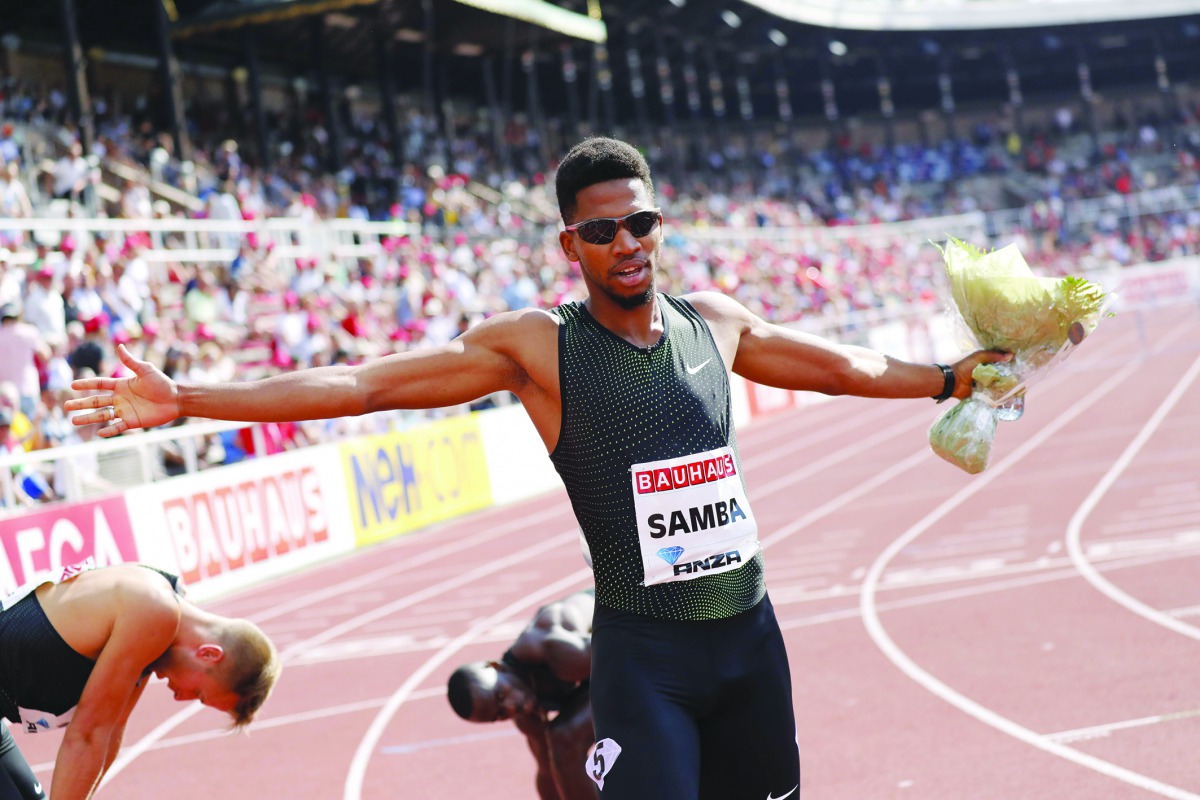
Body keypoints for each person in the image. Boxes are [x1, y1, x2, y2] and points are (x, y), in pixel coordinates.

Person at [67, 136, 1009, 799]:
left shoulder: (715, 324)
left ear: (659, 225)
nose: (627, 243)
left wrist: (949, 378)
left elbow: (847, 368)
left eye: (640, 222)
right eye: (602, 231)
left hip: (752, 641)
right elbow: (361, 384)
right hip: (645, 659)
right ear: (571, 246)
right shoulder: (540, 349)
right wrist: (192, 399)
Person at [0, 561, 280, 800]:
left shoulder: (162, 627)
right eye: (197, 693)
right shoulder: (155, 610)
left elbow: (109, 733)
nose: (180, 698)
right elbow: (86, 736)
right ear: (208, 654)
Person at [447, 589, 596, 800]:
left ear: (496, 666)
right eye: (499, 714)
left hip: (639, 624)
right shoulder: (524, 711)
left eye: (501, 695)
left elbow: (630, 656)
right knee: (557, 745)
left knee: (564, 737)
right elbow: (549, 775)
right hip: (609, 663)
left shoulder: (558, 651)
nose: (510, 707)